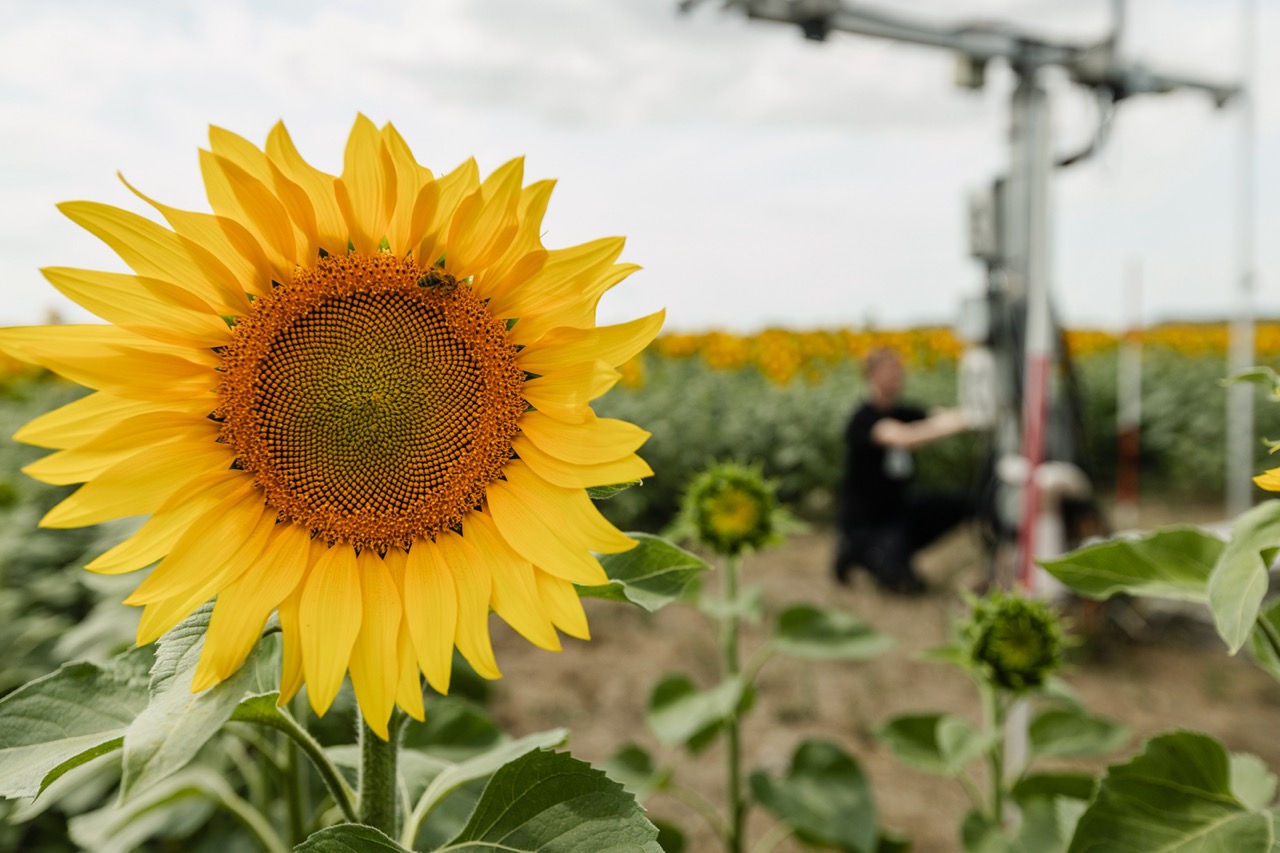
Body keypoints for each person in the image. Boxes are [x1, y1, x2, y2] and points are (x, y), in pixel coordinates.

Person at [833, 347, 974, 594]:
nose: (898, 375)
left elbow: (936, 419)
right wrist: (968, 420)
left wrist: (970, 414)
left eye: (900, 369)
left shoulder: (904, 412)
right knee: (905, 587)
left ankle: (891, 552)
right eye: (891, 370)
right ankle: (854, 552)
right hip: (868, 522)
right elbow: (905, 437)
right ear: (873, 375)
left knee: (965, 503)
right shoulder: (863, 418)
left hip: (898, 511)